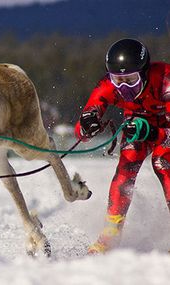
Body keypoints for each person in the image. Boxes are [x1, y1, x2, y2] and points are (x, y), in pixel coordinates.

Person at [75, 38, 170, 254]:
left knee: (162, 162)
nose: (124, 87)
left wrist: (155, 132)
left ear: (145, 72)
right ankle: (111, 232)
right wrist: (88, 125)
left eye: (131, 79)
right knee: (127, 163)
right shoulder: (107, 86)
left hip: (165, 129)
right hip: (136, 126)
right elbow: (80, 133)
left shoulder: (165, 80)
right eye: (118, 80)